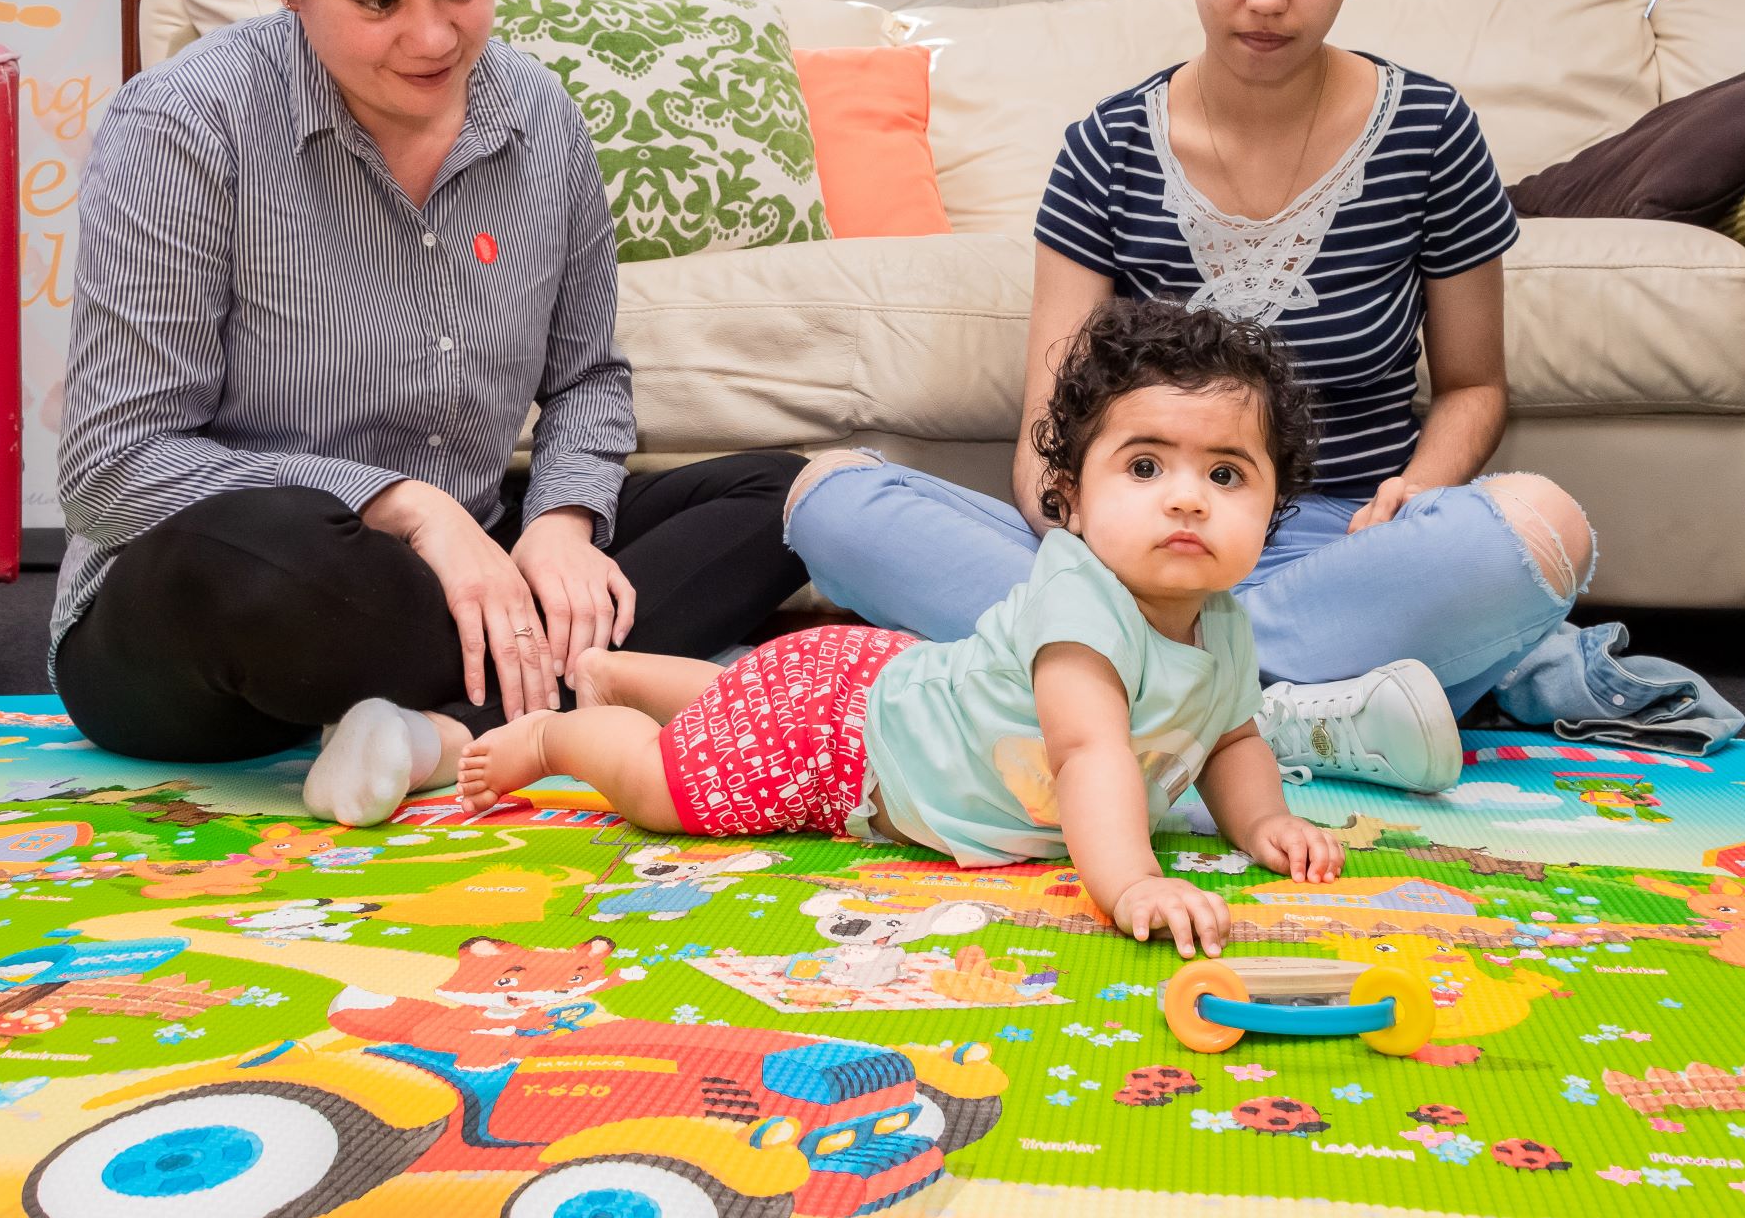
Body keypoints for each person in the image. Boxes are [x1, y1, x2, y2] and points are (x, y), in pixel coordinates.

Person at [787, 0, 1742, 796]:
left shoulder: (1430, 131)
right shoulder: (1105, 146)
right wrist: (1091, 540)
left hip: (1338, 548)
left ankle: (1133, 698)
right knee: (828, 499)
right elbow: (1047, 425)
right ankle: (1276, 709)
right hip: (1131, 553)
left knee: (1543, 525)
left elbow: (1473, 386)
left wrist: (1420, 491)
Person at [51, 0, 808, 827]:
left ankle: (437, 730)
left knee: (779, 494)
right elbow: (114, 470)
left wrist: (556, 525)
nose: (434, 36)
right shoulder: (182, 128)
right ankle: (570, 697)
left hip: (471, 571)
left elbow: (589, 380)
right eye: (377, 1)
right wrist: (407, 505)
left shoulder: (538, 115)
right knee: (253, 560)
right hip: (238, 609)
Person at [461, 299, 1347, 958]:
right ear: (1069, 502)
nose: (1188, 496)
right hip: (845, 745)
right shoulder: (1082, 609)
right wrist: (1131, 882)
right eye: (1146, 466)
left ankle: (631, 675)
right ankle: (561, 733)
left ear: (1274, 512)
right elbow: (1088, 755)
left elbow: (1231, 735)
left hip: (886, 683)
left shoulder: (1223, 624)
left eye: (1227, 475)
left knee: (746, 696)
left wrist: (1264, 822)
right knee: (669, 790)